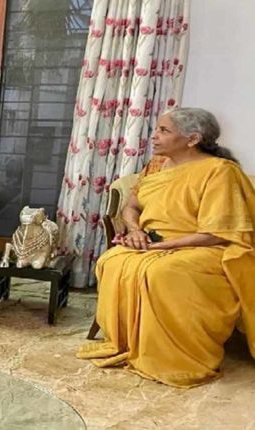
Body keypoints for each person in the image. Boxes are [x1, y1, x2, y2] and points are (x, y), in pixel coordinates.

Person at [77, 107, 255, 387]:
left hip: (204, 248)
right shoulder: (156, 165)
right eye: (157, 129)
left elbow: (216, 233)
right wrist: (136, 232)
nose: (154, 136)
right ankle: (127, 344)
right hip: (152, 243)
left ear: (193, 139)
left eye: (164, 130)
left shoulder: (220, 171)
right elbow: (131, 206)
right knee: (112, 260)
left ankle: (176, 359)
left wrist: (162, 246)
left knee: (162, 271)